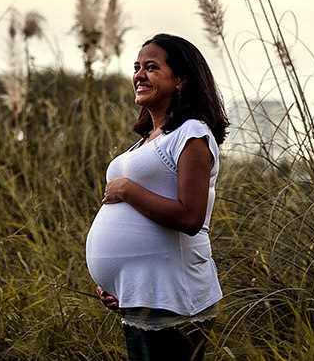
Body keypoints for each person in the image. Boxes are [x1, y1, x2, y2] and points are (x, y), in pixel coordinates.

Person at [85, 33, 230, 361]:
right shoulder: (147, 140)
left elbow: (191, 217)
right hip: (140, 296)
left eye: (151, 67)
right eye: (137, 67)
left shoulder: (191, 134)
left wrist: (127, 189)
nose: (139, 74)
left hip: (172, 296)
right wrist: (115, 283)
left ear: (181, 80)